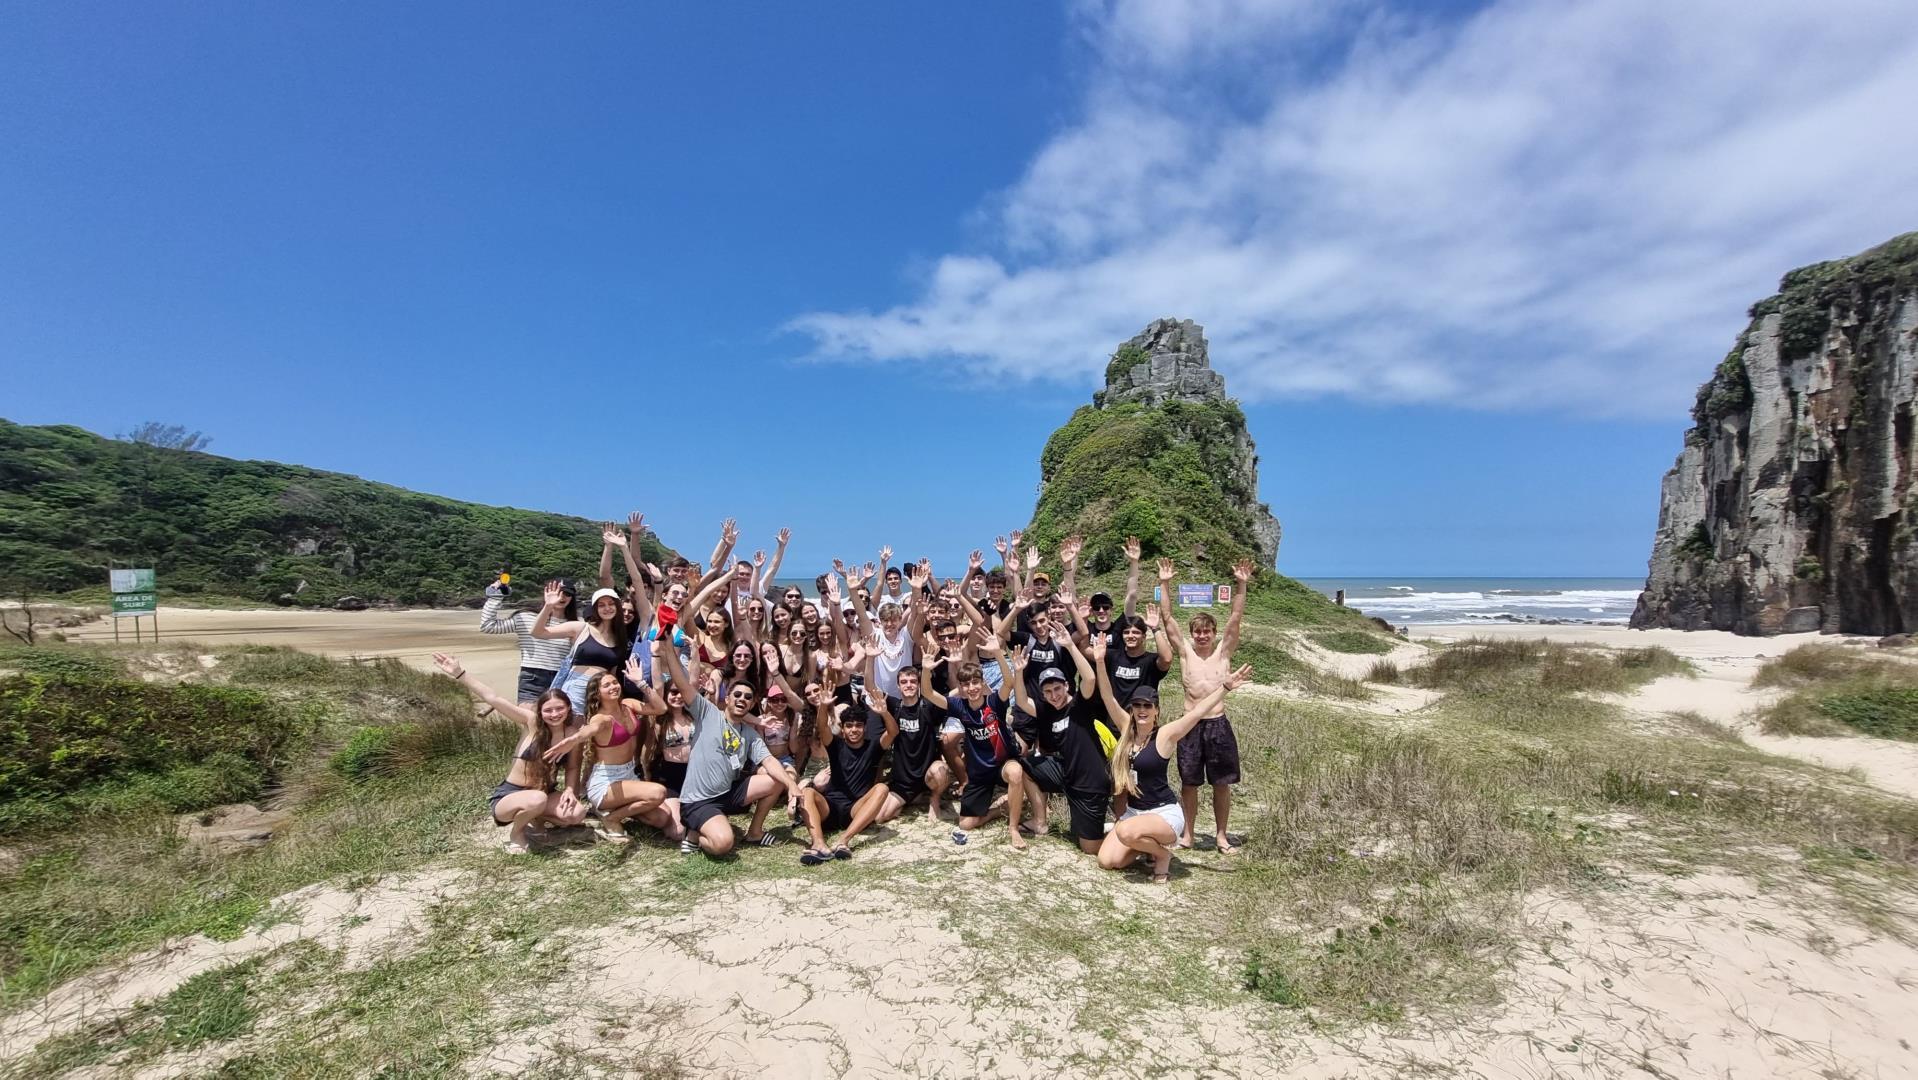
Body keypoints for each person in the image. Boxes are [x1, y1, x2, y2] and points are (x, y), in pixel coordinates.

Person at [1091, 633, 1251, 882]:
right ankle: (1144, 845)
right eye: (1137, 706)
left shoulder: (1164, 735)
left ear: (1156, 710)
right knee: (1108, 861)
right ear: (1132, 710)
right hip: (1135, 813)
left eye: (1147, 706)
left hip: (1163, 814)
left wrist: (1225, 688)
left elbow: (1197, 712)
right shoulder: (1126, 729)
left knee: (1124, 830)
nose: (1142, 711)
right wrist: (1100, 661)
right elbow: (1107, 697)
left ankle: (1161, 855)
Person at [655, 620, 804, 857]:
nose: (742, 699)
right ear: (729, 696)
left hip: (728, 793)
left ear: (754, 703)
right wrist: (667, 648)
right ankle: (694, 832)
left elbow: (769, 762)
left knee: (776, 779)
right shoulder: (707, 713)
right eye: (737, 695)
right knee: (723, 844)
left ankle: (755, 832)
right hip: (699, 800)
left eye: (748, 697)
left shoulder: (749, 733)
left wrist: (791, 785)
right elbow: (682, 683)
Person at [433, 653, 587, 854]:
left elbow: (574, 766)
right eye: (548, 710)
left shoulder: (572, 734)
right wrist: (460, 673)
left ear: (568, 709)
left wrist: (568, 790)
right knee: (537, 800)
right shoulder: (532, 723)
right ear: (540, 712)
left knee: (577, 813)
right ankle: (517, 832)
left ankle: (536, 819)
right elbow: (493, 698)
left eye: (560, 709)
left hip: (544, 792)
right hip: (511, 794)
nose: (555, 714)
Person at [1158, 557, 1254, 852]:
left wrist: (1241, 583)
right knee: (1189, 783)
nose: (1201, 636)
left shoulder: (1223, 654)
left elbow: (1235, 618)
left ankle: (1221, 835)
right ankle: (1188, 834)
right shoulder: (1185, 653)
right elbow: (1168, 620)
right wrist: (1165, 582)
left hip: (1217, 725)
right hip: (1189, 725)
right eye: (1197, 632)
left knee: (1221, 784)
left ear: (1214, 634)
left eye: (1206, 632)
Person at [541, 663, 677, 842]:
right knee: (658, 793)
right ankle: (611, 818)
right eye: (606, 685)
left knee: (662, 818)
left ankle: (613, 810)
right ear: (597, 693)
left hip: (629, 775)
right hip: (606, 782)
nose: (613, 687)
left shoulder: (628, 705)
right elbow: (590, 729)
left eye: (615, 683)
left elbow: (661, 708)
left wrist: (640, 682)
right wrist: (574, 740)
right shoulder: (601, 718)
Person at [1007, 634, 1112, 855]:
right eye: (1048, 691)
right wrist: (1018, 672)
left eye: (1057, 689)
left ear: (1066, 686)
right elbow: (1023, 701)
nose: (1053, 695)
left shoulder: (1079, 705)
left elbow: (1090, 679)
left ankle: (1123, 831)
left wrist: (1071, 646)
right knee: (1026, 766)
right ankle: (1039, 821)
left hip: (1089, 783)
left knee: (1089, 848)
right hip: (1065, 773)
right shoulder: (1046, 710)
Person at [919, 640, 1029, 850]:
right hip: (979, 772)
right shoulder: (959, 706)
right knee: (966, 824)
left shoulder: (994, 702)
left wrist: (997, 652)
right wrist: (925, 670)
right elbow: (927, 693)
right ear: (960, 687)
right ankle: (1002, 807)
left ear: (982, 683)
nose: (972, 688)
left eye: (975, 683)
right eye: (966, 684)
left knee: (1015, 772)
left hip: (1002, 764)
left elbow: (1008, 682)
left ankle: (1013, 828)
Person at [795, 680, 896, 864]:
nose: (854, 729)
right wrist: (824, 707)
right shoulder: (836, 745)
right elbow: (823, 727)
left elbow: (892, 732)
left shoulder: (873, 746)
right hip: (830, 807)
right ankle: (818, 844)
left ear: (865, 728)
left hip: (856, 809)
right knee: (807, 791)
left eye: (858, 725)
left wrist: (884, 712)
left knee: (882, 788)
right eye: (849, 725)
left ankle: (844, 841)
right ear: (842, 729)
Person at [861, 654, 952, 825]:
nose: (908, 685)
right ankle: (913, 799)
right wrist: (870, 658)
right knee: (880, 818)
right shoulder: (893, 705)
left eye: (912, 681)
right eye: (904, 682)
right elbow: (869, 686)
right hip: (903, 780)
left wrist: (928, 669)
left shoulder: (929, 705)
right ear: (898, 685)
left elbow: (954, 694)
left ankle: (934, 799)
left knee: (941, 771)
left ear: (918, 684)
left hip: (927, 774)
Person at [531, 581, 631, 713]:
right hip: (576, 687)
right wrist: (548, 606)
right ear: (595, 609)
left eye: (611, 604)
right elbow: (537, 632)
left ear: (618, 606)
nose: (607, 608)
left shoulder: (620, 638)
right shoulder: (581, 628)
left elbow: (612, 672)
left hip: (602, 692)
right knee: (571, 727)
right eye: (601, 605)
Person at [479, 577, 575, 702]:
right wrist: (495, 597)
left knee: (558, 719)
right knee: (530, 718)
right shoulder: (526, 618)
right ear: (546, 592)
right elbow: (488, 626)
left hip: (563, 678)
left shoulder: (575, 625)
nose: (562, 597)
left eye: (567, 593)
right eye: (557, 592)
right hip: (532, 677)